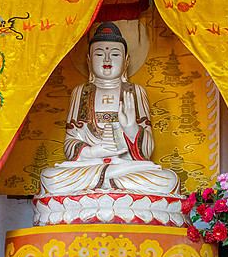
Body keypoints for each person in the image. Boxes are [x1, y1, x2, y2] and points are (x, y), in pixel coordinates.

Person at [39, 22, 179, 196]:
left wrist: (131, 128)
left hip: (126, 167)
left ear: (126, 60)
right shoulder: (80, 92)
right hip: (89, 167)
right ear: (89, 60)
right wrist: (94, 151)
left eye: (114, 54)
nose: (107, 60)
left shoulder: (135, 92)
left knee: (168, 180)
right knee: (50, 178)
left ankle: (105, 181)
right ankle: (109, 180)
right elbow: (69, 144)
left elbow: (147, 152)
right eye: (99, 54)